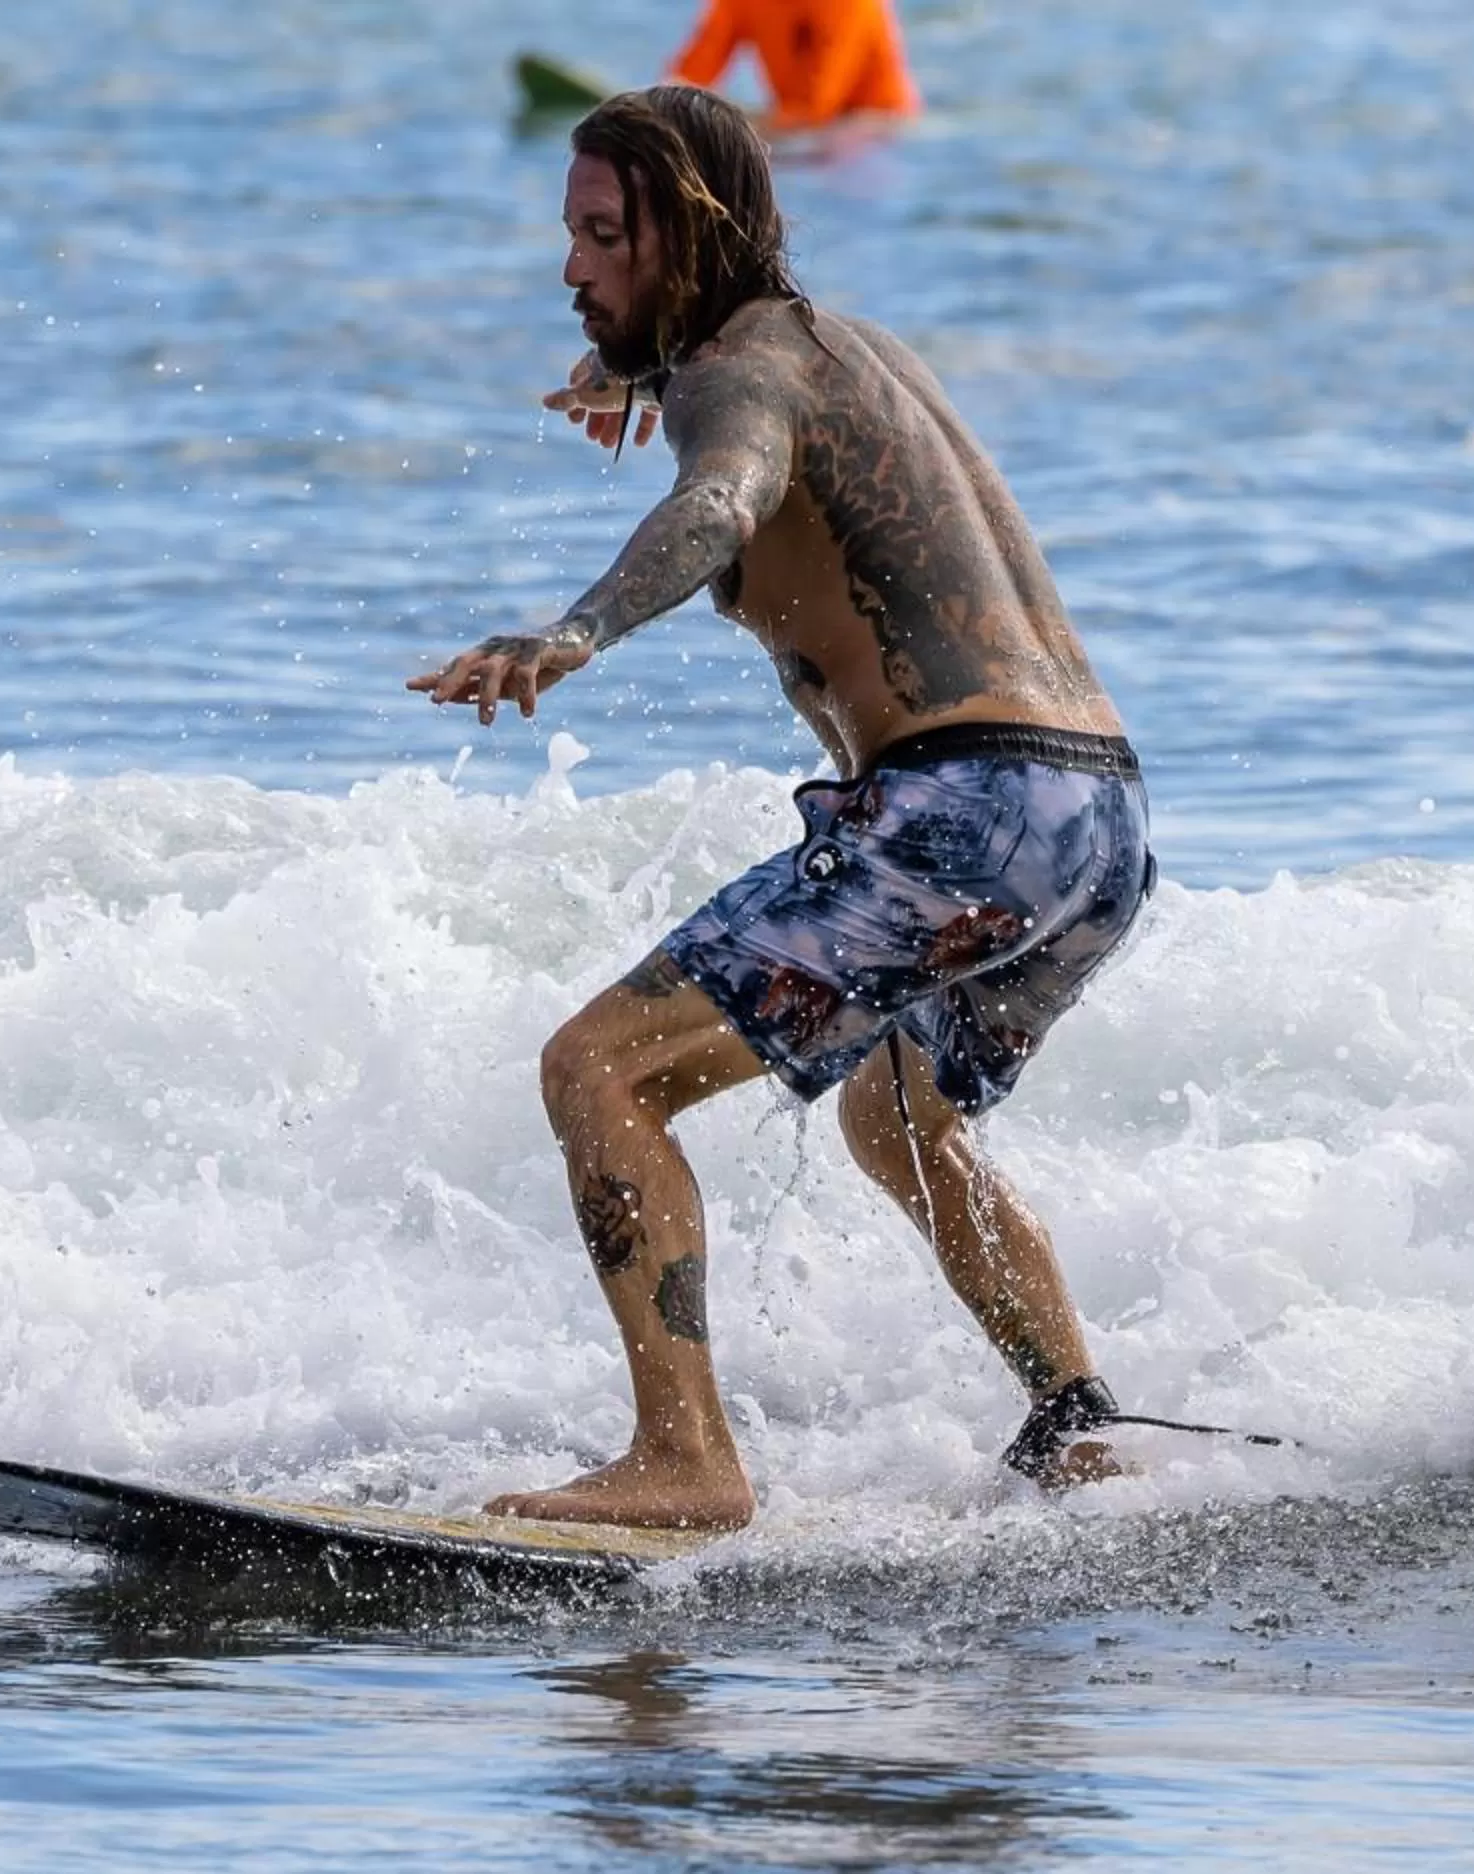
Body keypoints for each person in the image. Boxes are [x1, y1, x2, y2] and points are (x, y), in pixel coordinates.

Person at [407, 85, 1150, 1529]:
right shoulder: (849, 353)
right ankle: (1074, 1419)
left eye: (604, 237)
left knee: (601, 1073)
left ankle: (684, 1460)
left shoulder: (733, 385)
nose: (573, 269)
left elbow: (723, 503)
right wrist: (625, 382)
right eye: (570, 235)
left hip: (967, 809)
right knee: (900, 1115)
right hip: (1096, 825)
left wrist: (570, 633)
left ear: (686, 232)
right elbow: (764, 433)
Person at [666, 0, 920, 134]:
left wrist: (728, 129)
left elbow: (818, 108)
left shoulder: (849, 3)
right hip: (796, 126)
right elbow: (687, 79)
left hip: (876, 127)